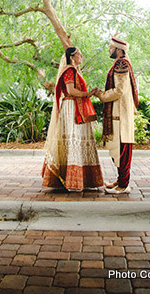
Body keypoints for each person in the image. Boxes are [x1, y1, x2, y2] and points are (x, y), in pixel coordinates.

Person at [41, 46, 104, 191]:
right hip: (71, 107)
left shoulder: (74, 70)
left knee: (77, 141)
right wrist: (87, 94)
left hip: (75, 106)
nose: (81, 56)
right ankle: (70, 180)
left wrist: (88, 93)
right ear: (71, 57)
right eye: (79, 55)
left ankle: (80, 180)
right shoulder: (69, 70)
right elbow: (70, 91)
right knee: (72, 140)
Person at [92, 35, 138, 194]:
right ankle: (120, 180)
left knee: (122, 150)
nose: (109, 50)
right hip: (120, 113)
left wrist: (101, 95)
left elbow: (120, 90)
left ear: (119, 50)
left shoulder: (120, 63)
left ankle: (123, 186)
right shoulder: (122, 63)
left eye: (111, 47)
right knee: (119, 149)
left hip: (120, 113)